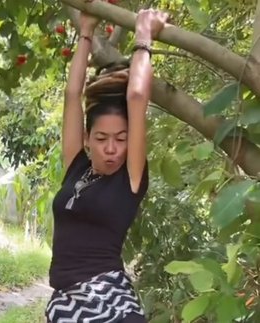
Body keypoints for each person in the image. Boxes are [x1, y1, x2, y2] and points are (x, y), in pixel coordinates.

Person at [45, 8, 169, 323]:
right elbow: (72, 95)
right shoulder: (77, 167)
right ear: (87, 138)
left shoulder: (131, 178)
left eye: (121, 138)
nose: (111, 148)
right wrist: (86, 31)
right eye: (101, 138)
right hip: (64, 302)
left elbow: (138, 96)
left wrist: (144, 35)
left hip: (107, 299)